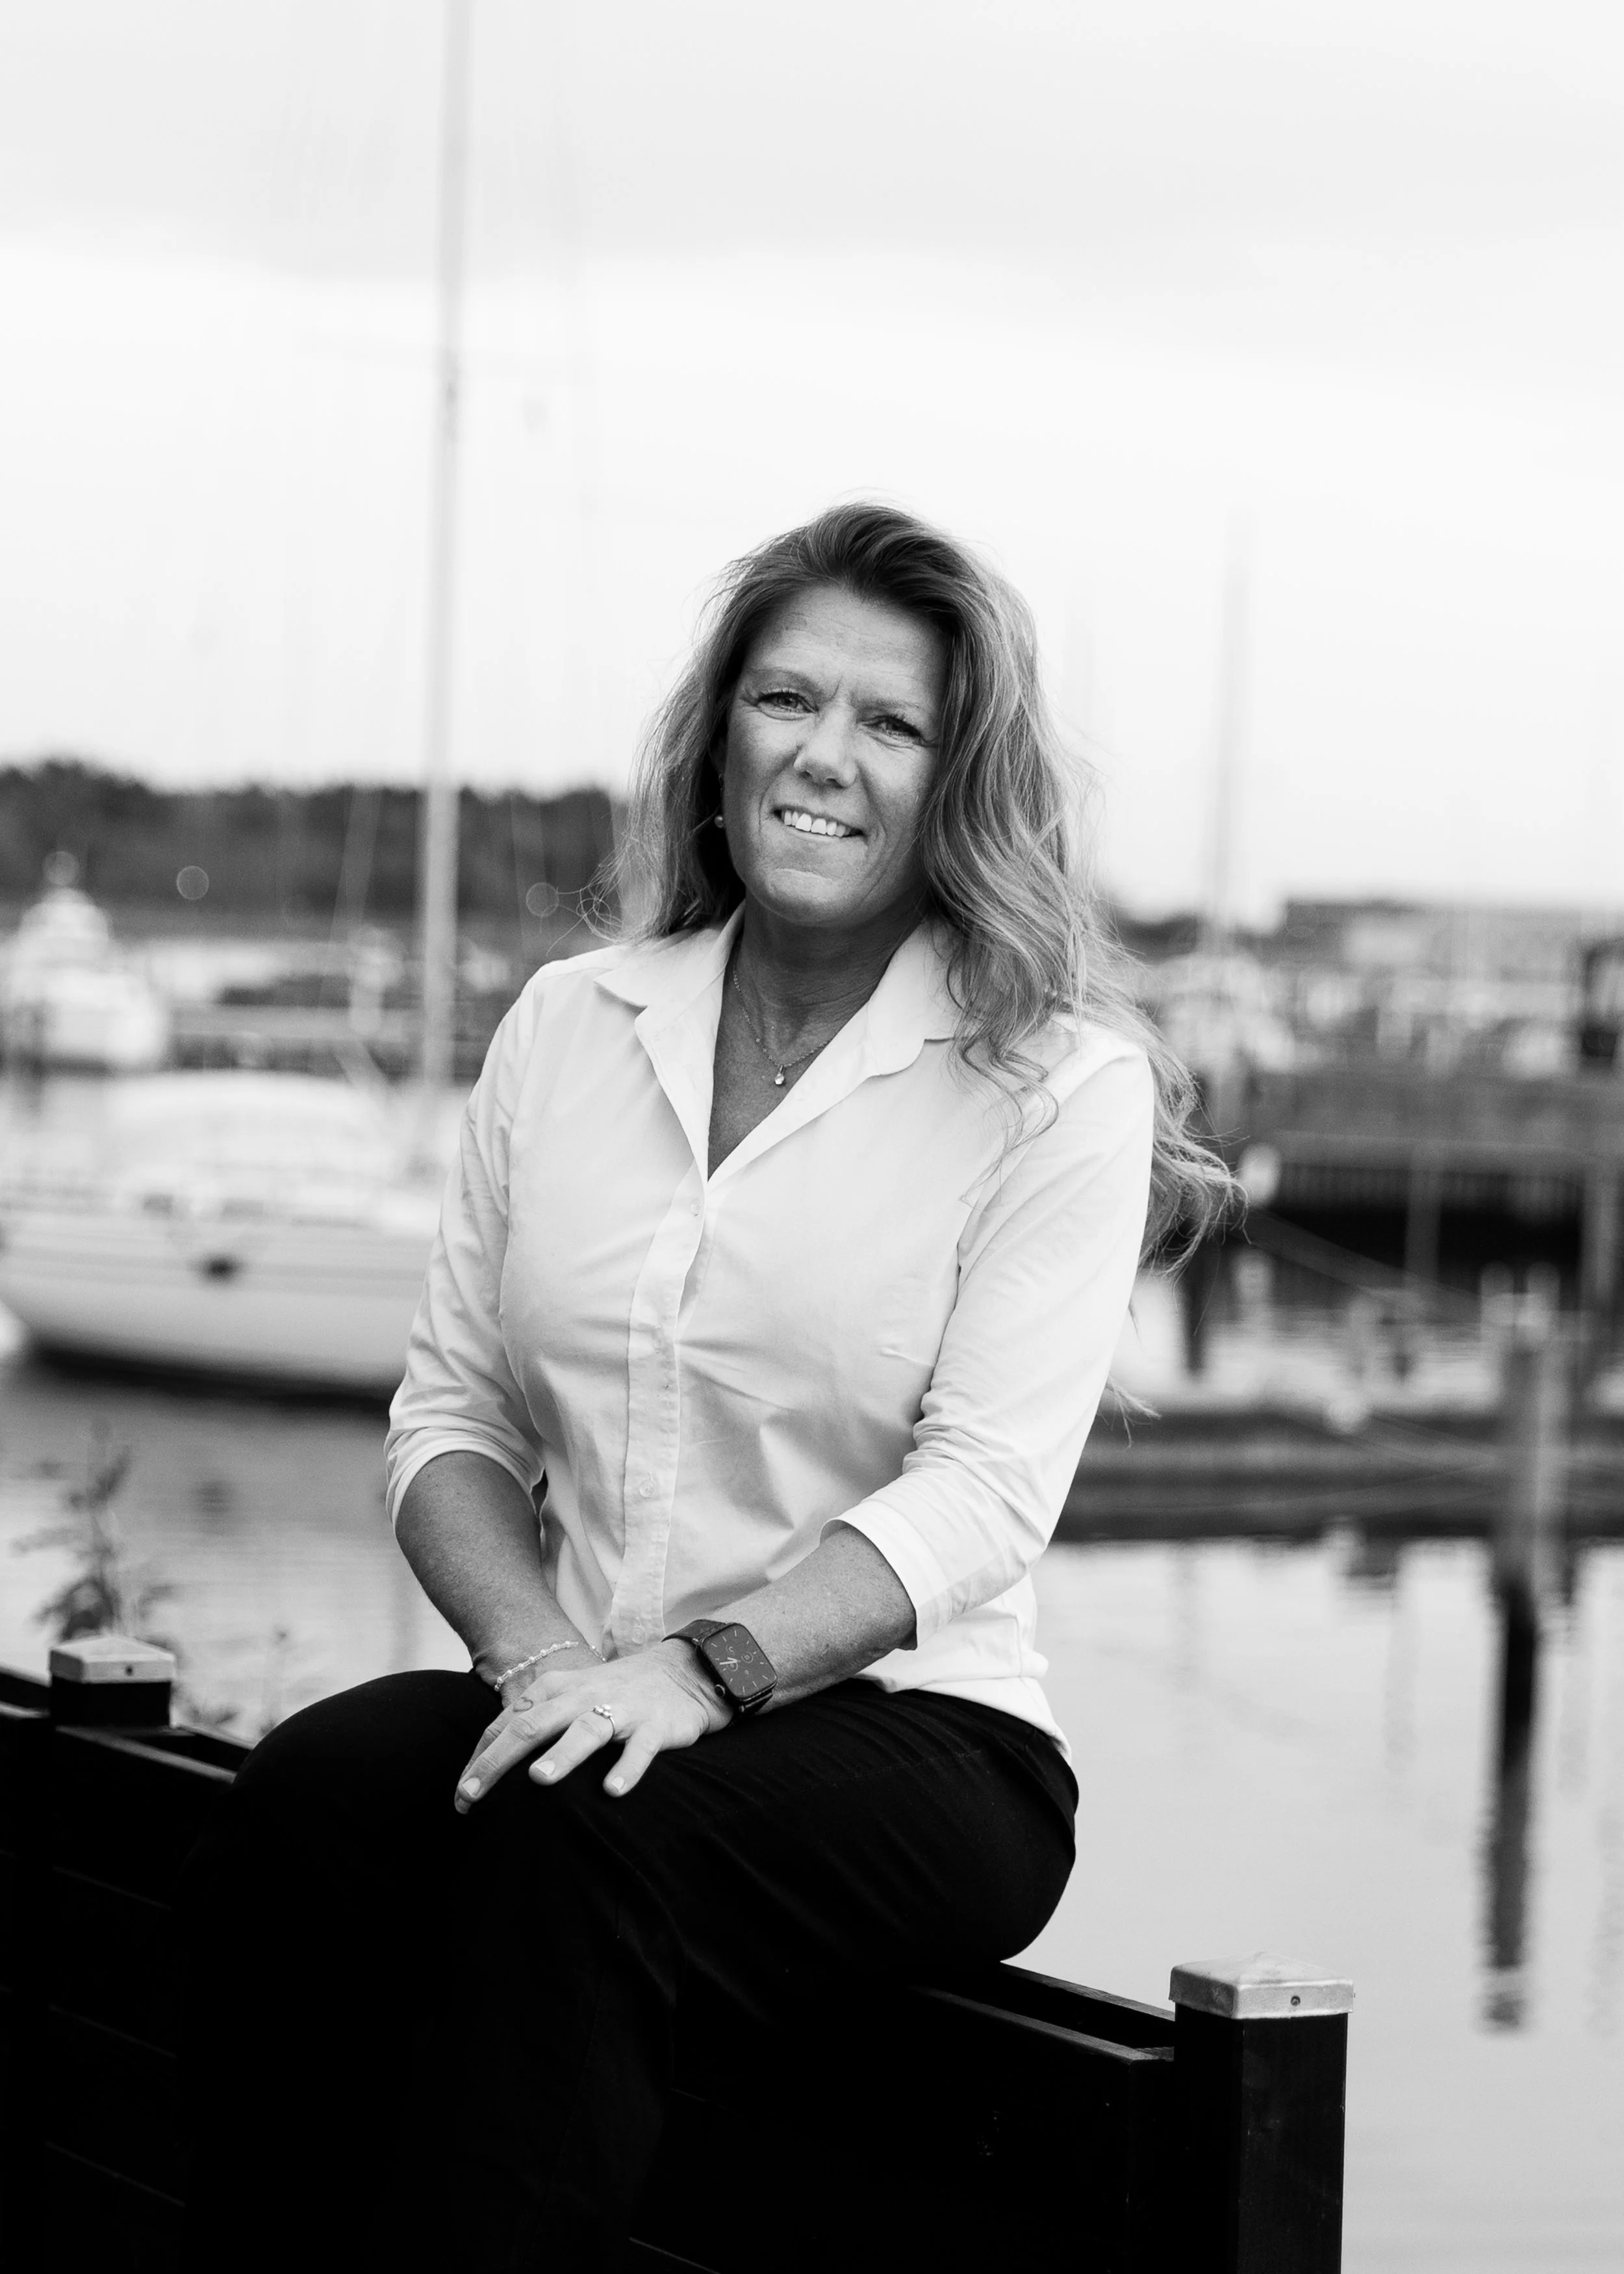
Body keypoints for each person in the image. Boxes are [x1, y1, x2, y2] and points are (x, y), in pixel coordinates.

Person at [178, 502, 1229, 2271]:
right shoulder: (571, 1026)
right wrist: (536, 1661)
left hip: (918, 1730)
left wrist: (704, 1668)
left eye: (889, 723)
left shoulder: (1055, 1085)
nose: (825, 756)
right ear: (719, 735)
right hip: (585, 1683)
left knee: (577, 1846)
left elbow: (981, 1495)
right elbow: (450, 1420)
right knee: (313, 1799)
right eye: (786, 699)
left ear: (954, 780)